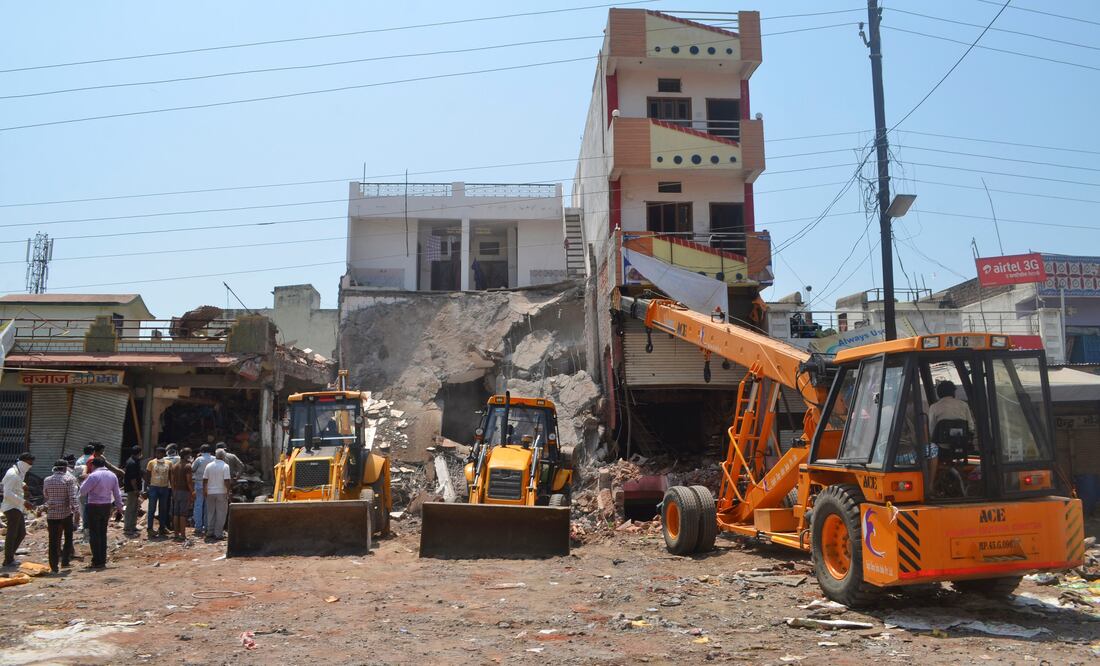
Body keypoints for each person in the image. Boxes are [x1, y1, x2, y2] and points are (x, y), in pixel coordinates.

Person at [78, 457, 124, 569]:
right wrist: (120, 508)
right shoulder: (112, 475)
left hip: (94, 506)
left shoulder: (93, 476)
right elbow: (117, 493)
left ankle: (97, 560)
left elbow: (83, 491)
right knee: (102, 533)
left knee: (94, 534)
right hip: (106, 506)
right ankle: (102, 560)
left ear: (93, 465)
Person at [42, 460, 80, 573]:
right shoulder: (69, 479)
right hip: (65, 513)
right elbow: (72, 497)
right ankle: (65, 561)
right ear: (65, 468)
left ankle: (53, 566)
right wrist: (77, 511)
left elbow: (46, 495)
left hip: (52, 514)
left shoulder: (47, 480)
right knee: (68, 537)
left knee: (52, 540)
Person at [2, 453, 36, 567]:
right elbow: (7, 493)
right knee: (12, 534)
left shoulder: (17, 472)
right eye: (29, 463)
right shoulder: (13, 474)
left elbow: (17, 481)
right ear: (24, 462)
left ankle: (9, 557)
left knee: (21, 533)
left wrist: (23, 485)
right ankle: (8, 559)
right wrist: (24, 502)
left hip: (16, 507)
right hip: (11, 507)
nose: (30, 466)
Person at [202, 449, 232, 541]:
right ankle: (218, 533)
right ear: (223, 456)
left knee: (210, 512)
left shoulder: (209, 466)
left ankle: (210, 532)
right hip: (221, 492)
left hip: (210, 492)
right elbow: (226, 480)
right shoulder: (225, 466)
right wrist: (229, 491)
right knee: (221, 513)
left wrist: (205, 490)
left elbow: (205, 480)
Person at [144, 446, 172, 538]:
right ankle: (150, 528)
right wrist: (146, 488)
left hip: (164, 488)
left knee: (163, 509)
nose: (158, 454)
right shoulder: (151, 463)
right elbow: (147, 476)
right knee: (151, 509)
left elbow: (171, 476)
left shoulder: (169, 463)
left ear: (164, 454)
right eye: (157, 453)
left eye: (160, 453)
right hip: (153, 488)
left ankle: (162, 528)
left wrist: (172, 487)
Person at [168, 448, 194, 541]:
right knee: (183, 514)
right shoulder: (188, 466)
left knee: (176, 513)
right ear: (186, 455)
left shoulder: (174, 466)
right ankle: (183, 535)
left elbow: (172, 481)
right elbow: (189, 482)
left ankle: (176, 534)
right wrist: (192, 492)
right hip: (184, 492)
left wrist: (174, 492)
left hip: (176, 491)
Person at [191, 444, 214, 537]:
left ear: (201, 451)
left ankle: (198, 527)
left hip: (199, 485)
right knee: (208, 506)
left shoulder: (199, 459)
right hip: (210, 485)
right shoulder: (214, 459)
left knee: (198, 505)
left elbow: (192, 469)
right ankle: (207, 526)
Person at [122, 446, 144, 537]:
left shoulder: (134, 461)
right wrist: (135, 489)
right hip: (132, 489)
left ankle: (132, 526)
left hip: (134, 488)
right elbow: (133, 479)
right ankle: (127, 528)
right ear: (139, 453)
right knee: (130, 508)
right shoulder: (132, 463)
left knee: (135, 508)